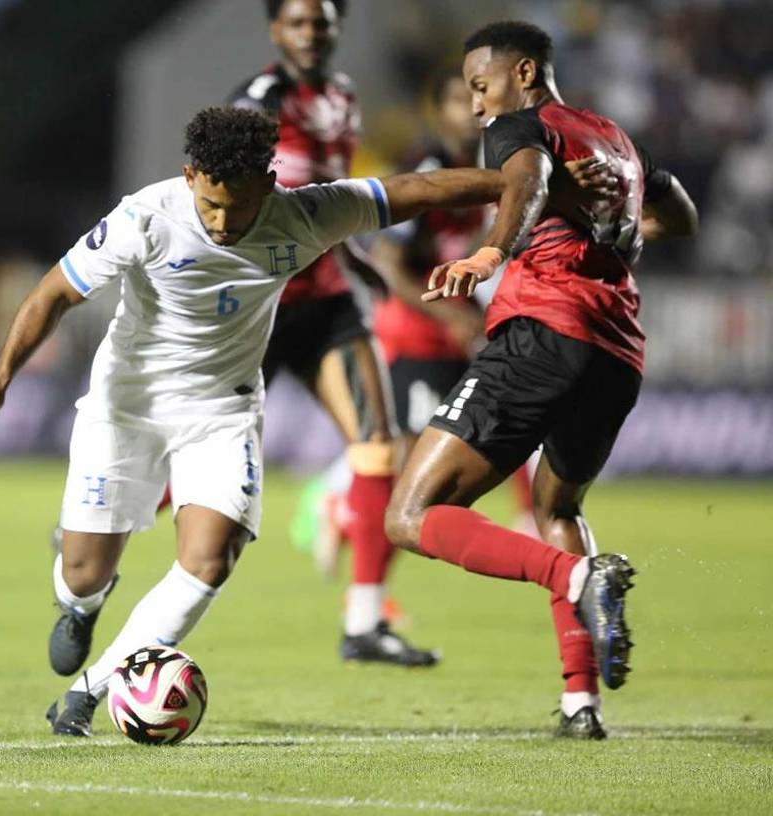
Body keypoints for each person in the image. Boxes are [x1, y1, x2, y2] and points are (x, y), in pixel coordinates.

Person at [0, 105, 519, 738]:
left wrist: (516, 182)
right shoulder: (145, 217)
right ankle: (78, 604)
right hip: (125, 410)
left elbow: (415, 191)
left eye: (241, 206)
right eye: (212, 205)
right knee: (85, 570)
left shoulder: (305, 213)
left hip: (222, 410)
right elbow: (54, 292)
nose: (224, 223)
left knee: (212, 554)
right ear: (190, 174)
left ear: (271, 183)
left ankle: (91, 690)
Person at [383, 21, 698, 739]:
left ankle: (578, 579)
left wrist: (490, 254)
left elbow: (525, 181)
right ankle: (580, 704)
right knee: (557, 510)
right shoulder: (612, 137)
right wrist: (616, 231)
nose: (477, 105)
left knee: (408, 516)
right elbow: (679, 213)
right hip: (617, 353)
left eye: (481, 84)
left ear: (523, 72)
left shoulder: (523, 125)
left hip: (542, 334)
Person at [227, 0, 438, 667]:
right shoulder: (256, 101)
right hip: (256, 306)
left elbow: (330, 197)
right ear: (275, 31)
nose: (312, 34)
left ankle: (365, 622)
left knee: (379, 448)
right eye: (298, 23)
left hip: (322, 304)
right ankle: (95, 524)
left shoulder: (342, 97)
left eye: (322, 22)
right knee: (201, 451)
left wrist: (350, 260)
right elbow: (230, 200)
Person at [369, 70, 536, 528]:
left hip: (455, 318)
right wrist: (448, 313)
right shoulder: (428, 167)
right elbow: (388, 263)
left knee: (505, 403)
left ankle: (529, 517)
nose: (473, 110)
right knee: (413, 462)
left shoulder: (489, 168)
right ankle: (345, 517)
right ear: (439, 111)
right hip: (413, 323)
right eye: (460, 100)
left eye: (479, 97)